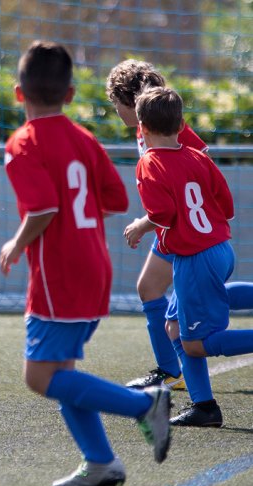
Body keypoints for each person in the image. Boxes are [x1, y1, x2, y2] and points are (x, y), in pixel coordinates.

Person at [0, 41, 170, 486]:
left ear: (19, 94)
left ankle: (145, 406)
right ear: (71, 94)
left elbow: (43, 210)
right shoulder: (84, 138)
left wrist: (17, 243)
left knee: (39, 377)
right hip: (95, 265)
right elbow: (115, 199)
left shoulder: (22, 144)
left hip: (59, 274)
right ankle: (100, 462)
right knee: (63, 373)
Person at [108, 60, 253, 426]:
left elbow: (176, 193)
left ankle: (177, 377)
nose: (115, 112)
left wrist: (144, 224)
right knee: (166, 308)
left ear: (132, 105)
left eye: (116, 104)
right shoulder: (157, 130)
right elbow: (218, 193)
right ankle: (192, 394)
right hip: (203, 237)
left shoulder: (164, 137)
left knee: (195, 339)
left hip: (188, 239)